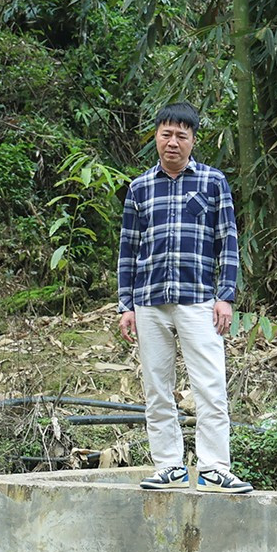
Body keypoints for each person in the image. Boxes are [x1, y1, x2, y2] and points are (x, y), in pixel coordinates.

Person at [116, 102, 253, 493]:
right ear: (156, 137)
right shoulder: (140, 187)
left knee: (210, 386)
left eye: (181, 135)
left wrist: (225, 296)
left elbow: (228, 242)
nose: (172, 142)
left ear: (193, 140)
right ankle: (169, 467)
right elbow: (128, 249)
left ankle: (214, 468)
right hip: (149, 300)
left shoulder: (212, 182)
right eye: (166, 134)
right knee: (156, 388)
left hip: (198, 300)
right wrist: (126, 304)